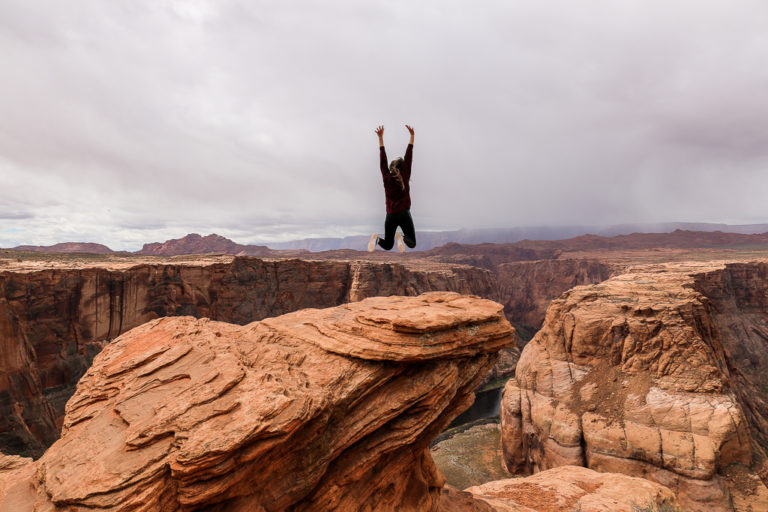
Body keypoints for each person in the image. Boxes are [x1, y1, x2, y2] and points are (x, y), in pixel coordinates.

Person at [368, 124, 417, 253]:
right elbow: (409, 155)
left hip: (390, 215)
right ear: (402, 167)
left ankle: (376, 239)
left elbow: (382, 160)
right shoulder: (405, 175)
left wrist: (380, 138)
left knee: (388, 244)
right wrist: (412, 136)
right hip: (404, 214)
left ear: (391, 168)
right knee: (411, 242)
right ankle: (400, 237)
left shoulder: (386, 177)